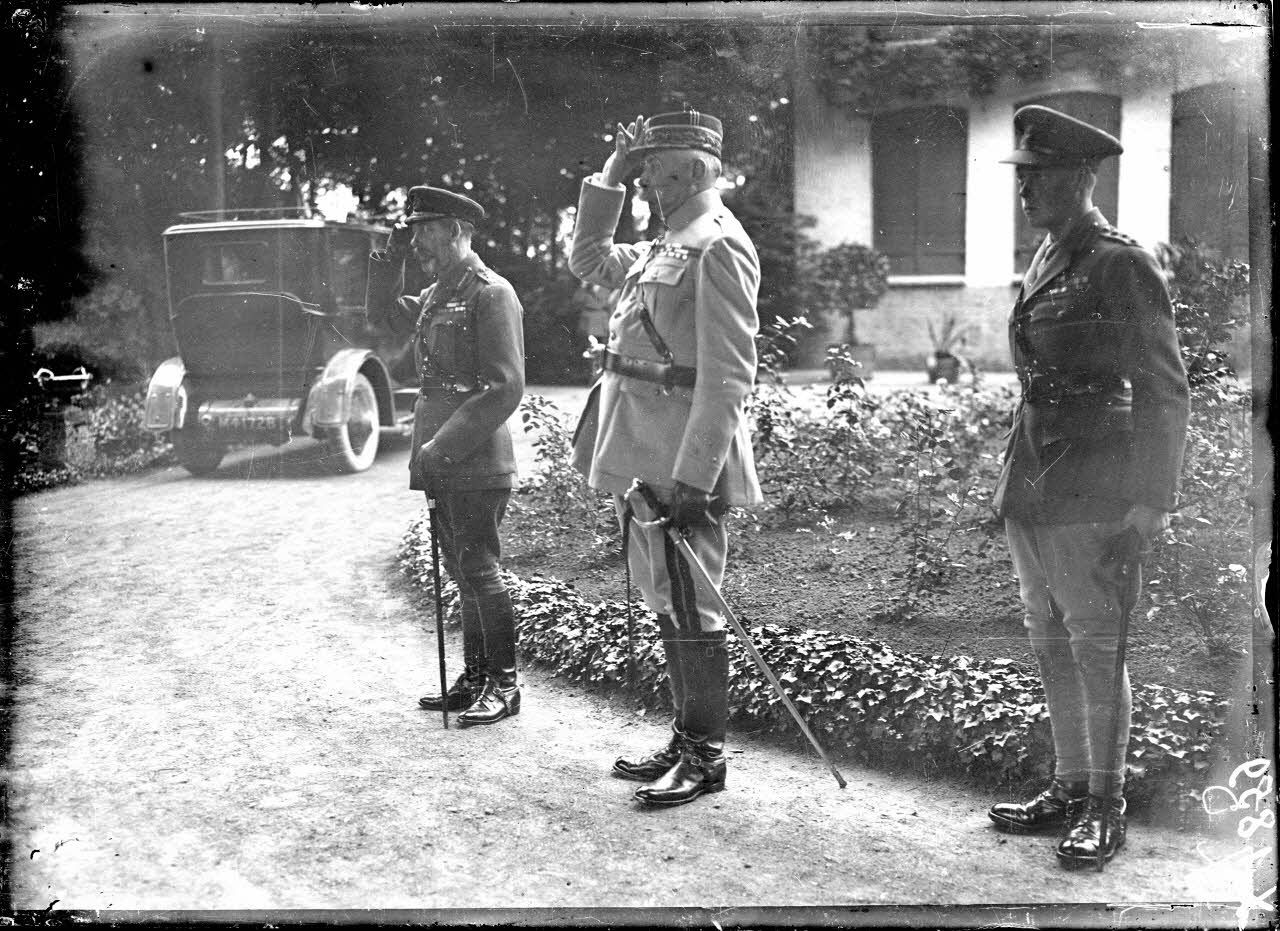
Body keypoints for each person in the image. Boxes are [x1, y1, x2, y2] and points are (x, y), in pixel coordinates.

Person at [986, 106, 1190, 866]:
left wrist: (1152, 499)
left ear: (1079, 177)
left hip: (1096, 482)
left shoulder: (1118, 262)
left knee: (1096, 643)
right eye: (1023, 178)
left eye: (1037, 177)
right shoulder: (1048, 254)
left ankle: (1105, 804)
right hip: (1035, 477)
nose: (1025, 190)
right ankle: (1071, 785)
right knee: (1048, 638)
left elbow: (1165, 390)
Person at [569, 111, 763, 807]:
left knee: (695, 608)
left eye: (656, 163)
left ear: (699, 170)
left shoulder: (718, 246)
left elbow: (728, 374)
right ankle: (686, 738)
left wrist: (693, 475)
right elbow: (590, 260)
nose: (647, 175)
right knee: (667, 601)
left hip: (685, 460)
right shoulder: (665, 245)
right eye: (644, 165)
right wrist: (609, 176)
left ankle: (706, 756)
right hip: (644, 453)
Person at [366, 185, 526, 727]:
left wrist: (444, 445)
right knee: (461, 569)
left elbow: (505, 387)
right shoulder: (437, 293)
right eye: (412, 231)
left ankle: (504, 685)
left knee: (479, 568)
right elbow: (384, 316)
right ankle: (475, 678)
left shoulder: (491, 292)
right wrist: (387, 255)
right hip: (438, 457)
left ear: (456, 231)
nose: (416, 242)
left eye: (424, 230)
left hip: (473, 455)